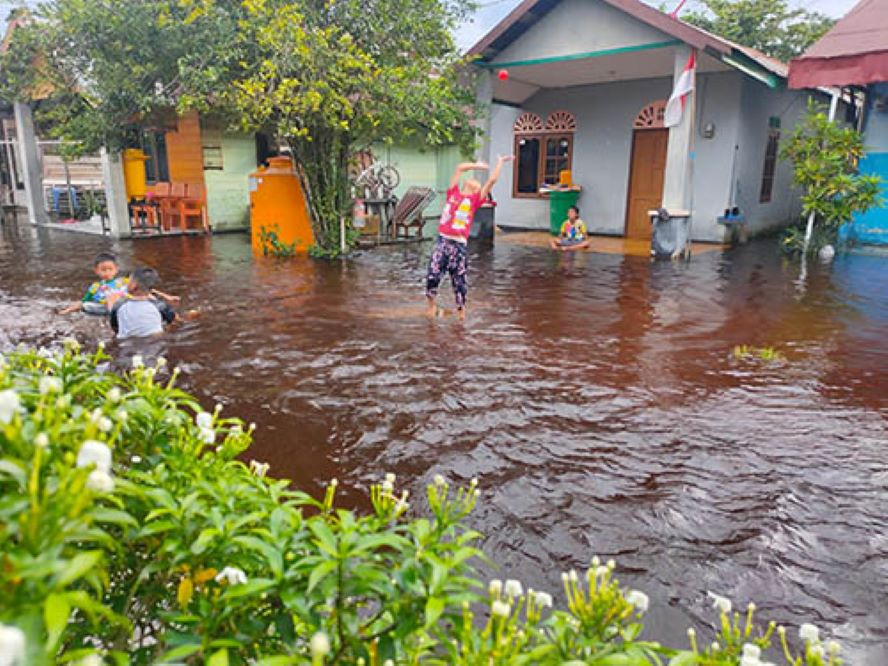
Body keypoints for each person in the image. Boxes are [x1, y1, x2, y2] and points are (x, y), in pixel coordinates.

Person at [425, 155, 514, 320]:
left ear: (476, 190)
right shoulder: (453, 193)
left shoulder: (475, 200)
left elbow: (492, 180)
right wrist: (477, 166)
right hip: (442, 241)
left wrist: (500, 162)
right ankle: (430, 307)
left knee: (459, 281)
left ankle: (461, 313)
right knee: (433, 275)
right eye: (472, 179)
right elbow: (459, 168)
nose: (473, 180)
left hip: (458, 246)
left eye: (477, 183)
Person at [60, 252, 180, 315]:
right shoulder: (95, 287)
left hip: (125, 305)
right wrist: (70, 309)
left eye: (110, 269)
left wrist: (166, 296)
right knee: (82, 306)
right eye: (103, 270)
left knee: (149, 297)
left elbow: (146, 288)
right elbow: (84, 300)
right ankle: (65, 311)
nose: (107, 273)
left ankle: (172, 312)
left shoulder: (123, 281)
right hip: (105, 308)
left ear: (116, 269)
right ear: (96, 271)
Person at [109, 267, 177, 339]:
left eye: (129, 280)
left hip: (126, 343)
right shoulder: (160, 306)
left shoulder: (119, 305)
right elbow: (174, 321)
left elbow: (115, 328)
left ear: (133, 285)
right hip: (154, 342)